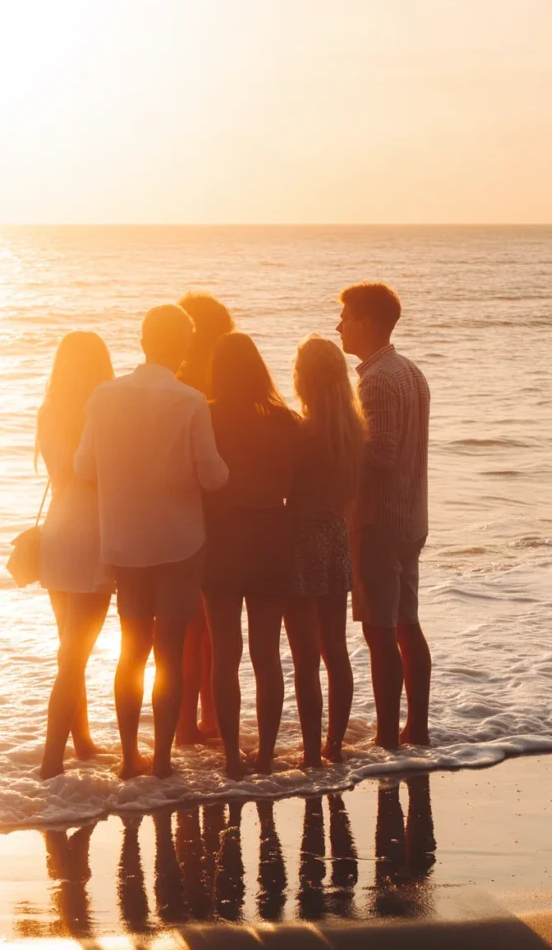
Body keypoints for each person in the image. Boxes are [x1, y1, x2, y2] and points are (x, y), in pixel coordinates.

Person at [74, 305, 228, 779]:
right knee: (170, 652)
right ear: (184, 348)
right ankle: (162, 761)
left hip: (124, 542)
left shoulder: (104, 395)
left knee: (132, 650)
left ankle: (128, 759)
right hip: (180, 543)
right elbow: (212, 475)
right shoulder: (191, 401)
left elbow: (83, 467)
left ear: (142, 342)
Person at [337, 283, 431, 749]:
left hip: (378, 520)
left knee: (380, 632)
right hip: (411, 516)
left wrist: (336, 455)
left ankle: (388, 736)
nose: (339, 326)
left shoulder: (375, 380)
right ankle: (416, 728)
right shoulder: (411, 371)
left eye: (346, 316)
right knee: (407, 624)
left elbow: (380, 455)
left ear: (367, 322)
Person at [203, 332, 300, 778]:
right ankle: (264, 755)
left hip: (222, 540)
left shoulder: (207, 417)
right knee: (266, 653)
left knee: (224, 654)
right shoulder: (286, 421)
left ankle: (230, 758)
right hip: (271, 538)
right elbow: (294, 485)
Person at [284, 335, 365, 768]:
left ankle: (311, 752)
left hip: (300, 540)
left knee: (305, 658)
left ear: (304, 379)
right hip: (335, 538)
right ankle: (334, 744)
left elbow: (284, 488)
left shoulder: (302, 432)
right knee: (336, 650)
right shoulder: (354, 432)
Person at [37, 331, 115, 781]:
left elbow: (61, 472)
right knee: (74, 655)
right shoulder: (101, 412)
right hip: (91, 536)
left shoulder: (49, 412)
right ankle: (51, 760)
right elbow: (96, 475)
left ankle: (82, 741)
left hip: (57, 531)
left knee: (69, 648)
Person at [175, 292, 235, 746]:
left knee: (185, 628)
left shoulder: (179, 386)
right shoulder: (226, 386)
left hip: (179, 514)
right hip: (222, 515)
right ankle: (211, 718)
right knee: (214, 627)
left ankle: (183, 725)